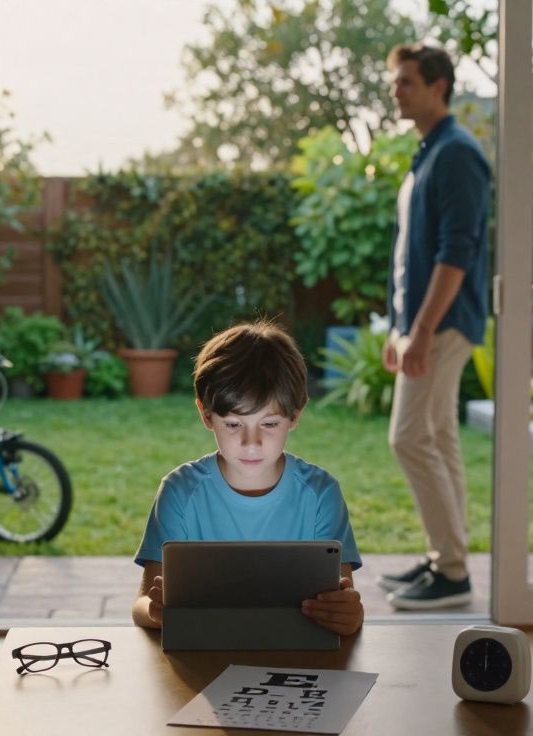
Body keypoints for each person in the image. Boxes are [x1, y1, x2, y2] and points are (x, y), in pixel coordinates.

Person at [131, 320, 364, 636]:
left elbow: (342, 599)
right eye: (233, 424)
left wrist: (349, 615)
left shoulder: (321, 494)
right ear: (205, 415)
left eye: (268, 424)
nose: (251, 443)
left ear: (295, 415)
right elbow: (142, 605)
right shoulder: (179, 492)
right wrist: (156, 610)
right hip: (202, 655)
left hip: (299, 654)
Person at [377, 43, 491, 610]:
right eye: (395, 81)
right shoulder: (429, 153)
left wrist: (421, 331)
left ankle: (451, 572)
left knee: (408, 438)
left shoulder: (457, 154)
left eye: (406, 82)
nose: (395, 91)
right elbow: (410, 252)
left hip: (444, 324)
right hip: (422, 323)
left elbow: (456, 252)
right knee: (439, 439)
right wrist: (398, 327)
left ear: (438, 86)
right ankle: (447, 559)